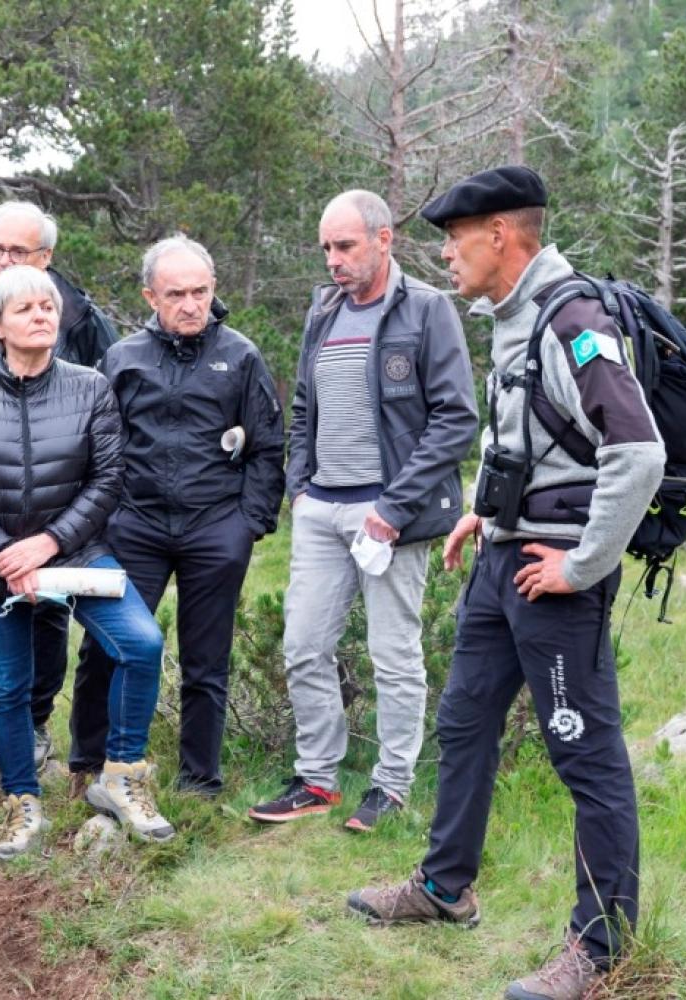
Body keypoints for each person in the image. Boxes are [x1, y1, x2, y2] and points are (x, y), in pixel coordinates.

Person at [345, 166, 664, 1000]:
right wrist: (485, 513)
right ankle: (446, 889)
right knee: (465, 721)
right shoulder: (512, 320)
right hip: (502, 557)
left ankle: (599, 950)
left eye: (454, 240)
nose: (446, 256)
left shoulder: (576, 320)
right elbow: (523, 433)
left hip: (552, 575)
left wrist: (583, 564)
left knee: (585, 754)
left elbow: (639, 452)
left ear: (500, 235)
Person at [248, 190, 477, 831]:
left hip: (389, 516)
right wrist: (302, 487)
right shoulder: (323, 313)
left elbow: (457, 419)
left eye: (345, 246)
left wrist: (396, 505)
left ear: (383, 241)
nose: (333, 260)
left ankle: (392, 786)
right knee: (303, 647)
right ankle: (317, 779)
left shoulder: (428, 312)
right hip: (323, 509)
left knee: (393, 655)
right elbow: (302, 409)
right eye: (326, 247)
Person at [0, 265, 171, 858]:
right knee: (8, 690)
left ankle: (120, 778)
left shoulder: (91, 387)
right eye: (26, 309)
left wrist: (47, 544)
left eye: (48, 306)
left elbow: (108, 478)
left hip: (80, 556)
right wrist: (4, 556)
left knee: (141, 644)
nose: (43, 315)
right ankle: (22, 806)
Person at [69, 236, 284, 797]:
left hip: (215, 527)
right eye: (177, 294)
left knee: (205, 661)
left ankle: (199, 781)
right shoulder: (122, 359)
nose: (191, 305)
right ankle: (87, 763)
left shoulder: (241, 356)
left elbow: (267, 445)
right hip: (135, 525)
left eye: (201, 292)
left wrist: (248, 526)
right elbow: (96, 446)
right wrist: (104, 521)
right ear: (151, 296)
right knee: (104, 646)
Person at [0, 201, 119, 774]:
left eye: (18, 251)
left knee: (47, 623)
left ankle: (35, 726)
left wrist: (58, 534)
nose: (2, 260)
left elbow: (105, 424)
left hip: (57, 517)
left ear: (46, 258)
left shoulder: (82, 320)